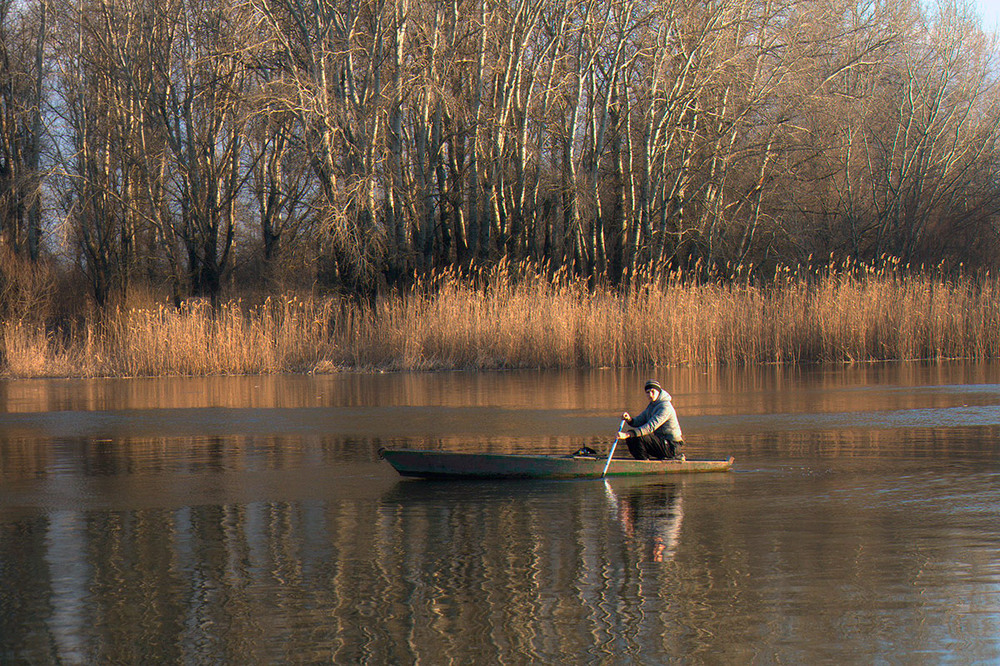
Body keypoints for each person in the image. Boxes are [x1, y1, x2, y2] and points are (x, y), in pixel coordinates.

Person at [617, 379, 684, 460]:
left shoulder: (665, 407)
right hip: (662, 443)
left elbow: (650, 427)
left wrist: (627, 435)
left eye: (653, 391)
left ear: (659, 392)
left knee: (636, 437)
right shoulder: (651, 406)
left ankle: (644, 464)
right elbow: (639, 420)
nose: (650, 395)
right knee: (632, 438)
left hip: (672, 446)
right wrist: (629, 419)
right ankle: (643, 461)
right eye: (648, 392)